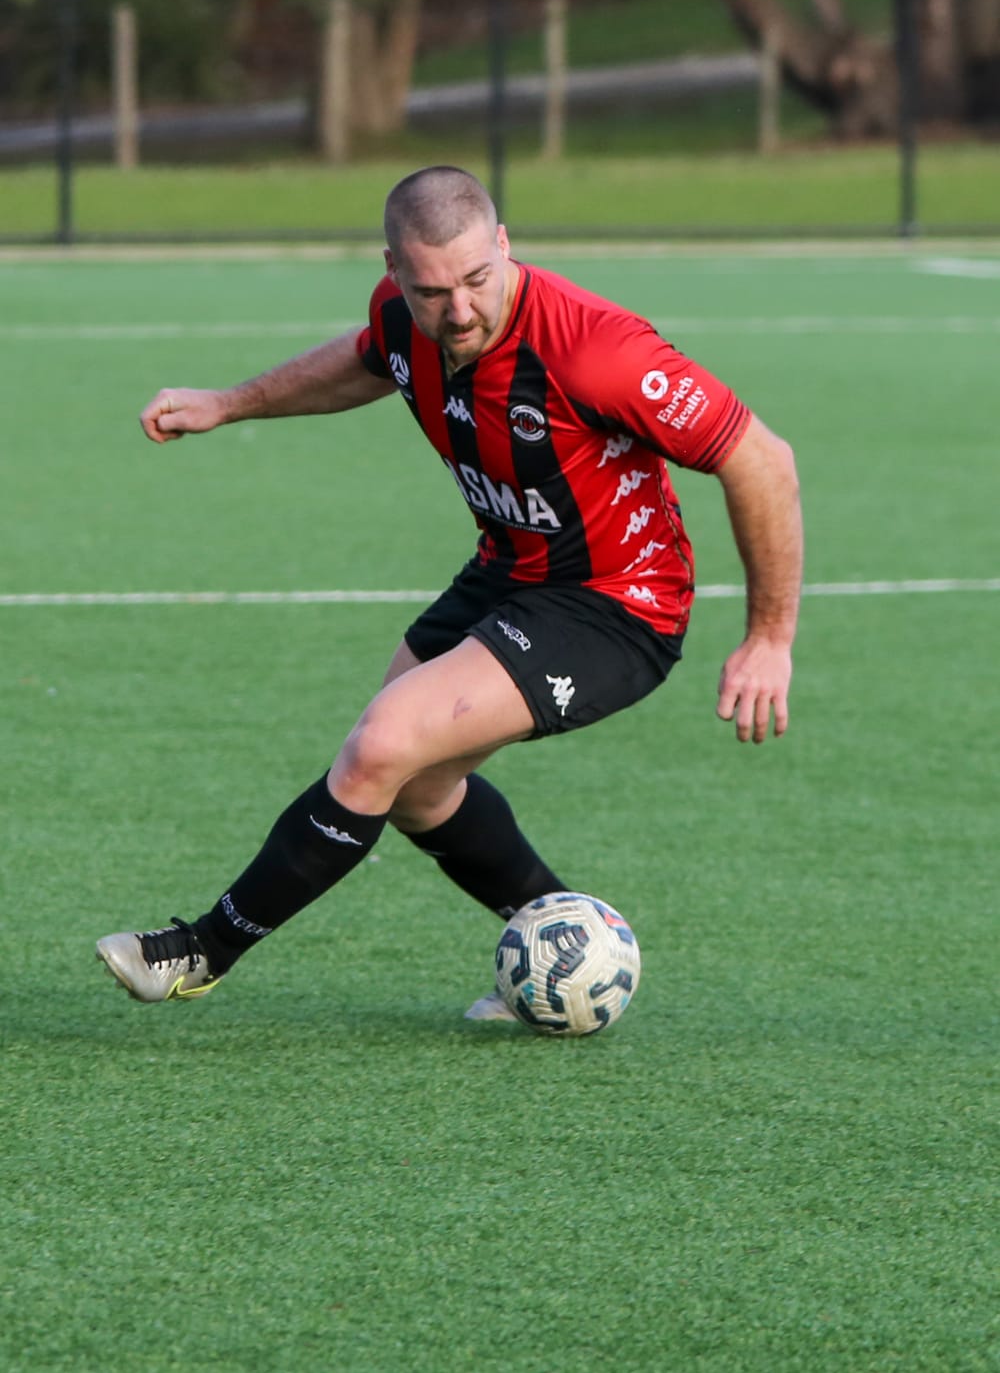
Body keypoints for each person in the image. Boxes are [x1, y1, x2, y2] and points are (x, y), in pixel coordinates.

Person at [96, 165, 802, 1018]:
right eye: (433, 291)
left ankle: (201, 952)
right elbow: (369, 361)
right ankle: (573, 943)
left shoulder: (595, 349)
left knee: (380, 748)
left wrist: (769, 636)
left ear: (504, 246)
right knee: (418, 788)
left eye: (477, 280)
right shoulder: (403, 319)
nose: (459, 311)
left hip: (618, 605)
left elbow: (761, 457)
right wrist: (230, 403)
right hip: (509, 570)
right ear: (394, 270)